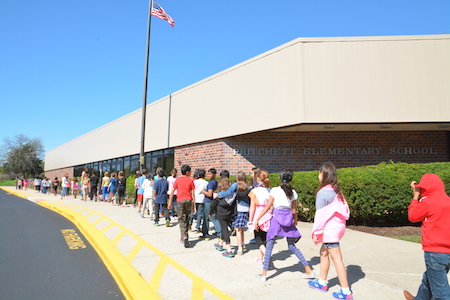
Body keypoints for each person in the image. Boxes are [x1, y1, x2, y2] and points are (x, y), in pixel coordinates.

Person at [255, 168, 314, 282]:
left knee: (270, 245)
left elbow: (268, 206)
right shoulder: (293, 192)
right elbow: (294, 209)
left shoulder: (275, 190)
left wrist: (258, 218)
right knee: (292, 246)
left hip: (277, 218)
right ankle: (308, 270)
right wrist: (295, 221)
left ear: (280, 178)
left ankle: (264, 274)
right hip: (288, 218)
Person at [307, 163, 352, 299]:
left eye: (319, 173)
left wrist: (315, 233)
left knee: (337, 259)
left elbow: (320, 216)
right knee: (323, 252)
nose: (318, 175)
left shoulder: (323, 192)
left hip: (330, 229)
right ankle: (322, 282)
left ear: (323, 175)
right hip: (339, 227)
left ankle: (346, 292)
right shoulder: (337, 190)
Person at [403, 173, 450, 300]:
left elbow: (413, 216)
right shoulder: (448, 201)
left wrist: (415, 196)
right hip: (447, 252)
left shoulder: (427, 202)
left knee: (441, 293)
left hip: (434, 253)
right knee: (429, 279)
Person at [216, 171, 251, 255]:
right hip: (246, 209)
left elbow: (228, 193)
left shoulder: (236, 185)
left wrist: (218, 194)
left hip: (239, 208)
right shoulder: (247, 186)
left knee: (238, 229)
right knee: (241, 228)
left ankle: (239, 249)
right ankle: (242, 244)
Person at [168, 164, 196, 248]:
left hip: (180, 201)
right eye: (190, 171)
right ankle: (184, 236)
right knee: (187, 218)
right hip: (189, 200)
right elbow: (192, 194)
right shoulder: (190, 181)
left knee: (181, 219)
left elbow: (172, 191)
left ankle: (184, 236)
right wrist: (194, 206)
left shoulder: (178, 180)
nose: (191, 173)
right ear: (187, 172)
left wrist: (170, 203)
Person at [248, 170, 271, 264]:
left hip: (258, 214)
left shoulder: (254, 191)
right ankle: (260, 258)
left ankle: (267, 255)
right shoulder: (270, 191)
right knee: (264, 237)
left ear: (257, 179)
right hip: (268, 214)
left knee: (258, 238)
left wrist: (250, 221)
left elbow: (252, 207)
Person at [211, 176, 237, 258]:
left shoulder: (218, 195)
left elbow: (213, 204)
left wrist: (210, 212)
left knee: (224, 230)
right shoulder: (231, 195)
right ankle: (220, 243)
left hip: (221, 214)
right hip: (229, 213)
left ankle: (229, 249)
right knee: (224, 229)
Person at [202, 168, 219, 239]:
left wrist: (203, 191)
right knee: (215, 218)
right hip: (214, 202)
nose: (208, 175)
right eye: (207, 174)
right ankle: (220, 233)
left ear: (214, 174)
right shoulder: (216, 182)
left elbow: (209, 194)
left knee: (206, 218)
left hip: (208, 202)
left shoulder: (211, 183)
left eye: (210, 174)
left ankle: (205, 234)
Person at [194, 169, 209, 238]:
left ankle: (190, 224)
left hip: (195, 198)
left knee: (193, 212)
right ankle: (197, 226)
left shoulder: (195, 182)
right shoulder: (206, 183)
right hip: (201, 199)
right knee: (200, 213)